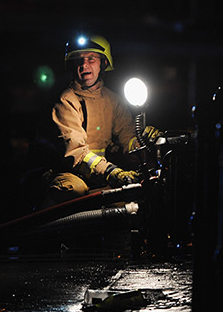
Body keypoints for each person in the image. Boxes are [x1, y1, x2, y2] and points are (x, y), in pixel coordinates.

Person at [40, 34, 159, 207]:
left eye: (91, 58)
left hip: (97, 175)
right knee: (72, 190)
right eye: (78, 60)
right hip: (63, 173)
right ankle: (49, 226)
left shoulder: (113, 101)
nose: (84, 65)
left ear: (104, 63)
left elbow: (128, 140)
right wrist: (111, 172)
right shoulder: (66, 101)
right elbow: (76, 152)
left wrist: (143, 141)